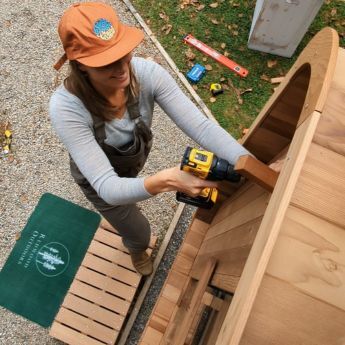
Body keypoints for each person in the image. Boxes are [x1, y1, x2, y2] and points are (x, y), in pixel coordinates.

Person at [49, 2, 252, 276]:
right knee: (140, 233)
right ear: (81, 66)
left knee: (135, 187)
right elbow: (108, 186)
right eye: (107, 62)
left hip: (131, 167)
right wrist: (167, 180)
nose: (122, 68)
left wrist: (250, 164)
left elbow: (203, 129)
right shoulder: (66, 108)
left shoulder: (146, 74)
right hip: (101, 184)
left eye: (123, 53)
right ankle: (135, 249)